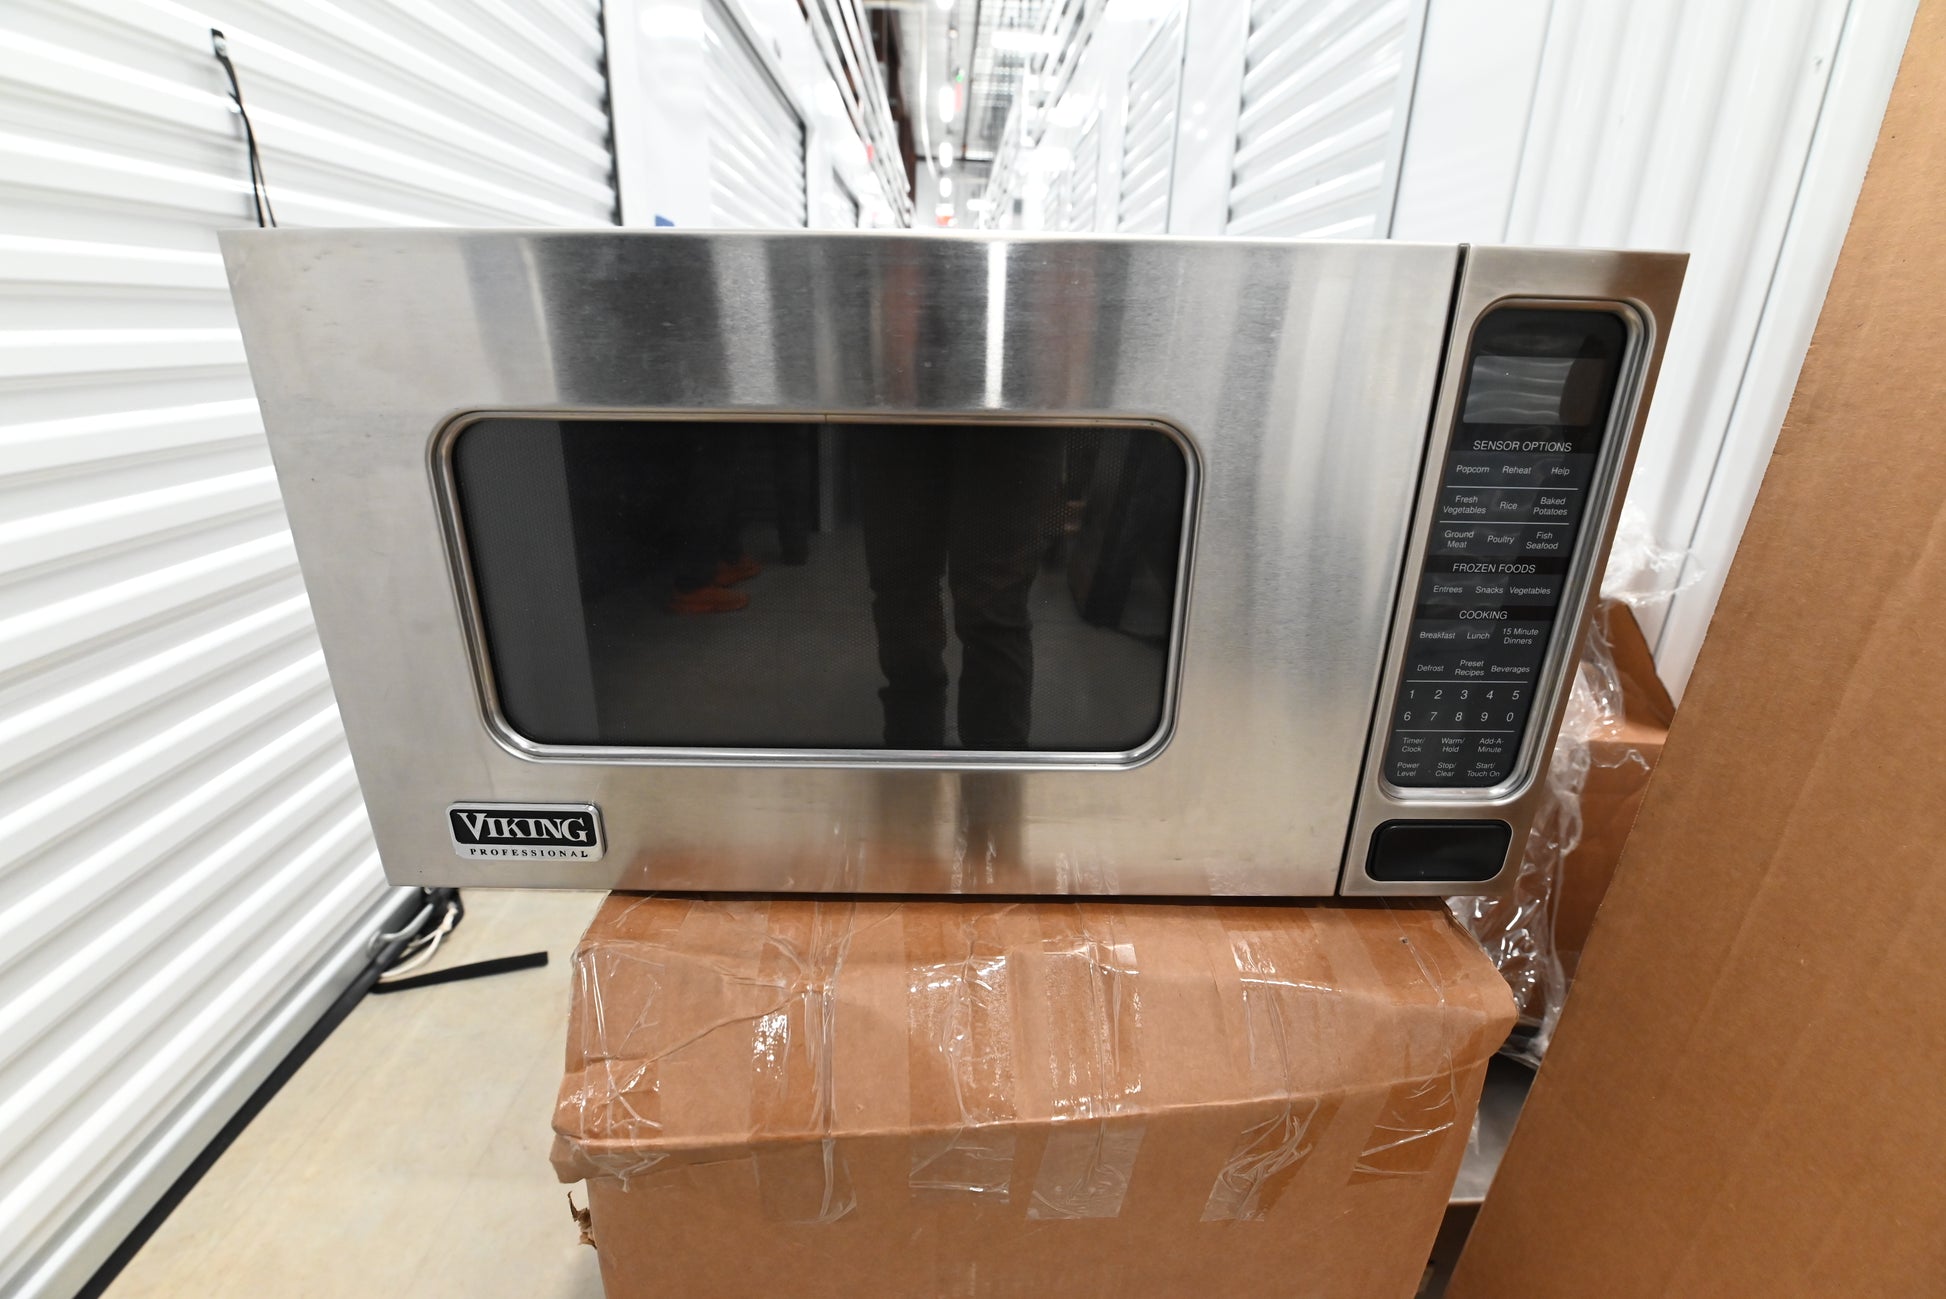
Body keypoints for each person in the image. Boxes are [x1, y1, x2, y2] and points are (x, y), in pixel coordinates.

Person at [856, 426, 1063, 750]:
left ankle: (990, 777)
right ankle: (915, 760)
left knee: (991, 608)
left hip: (1018, 405)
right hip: (896, 405)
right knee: (906, 595)